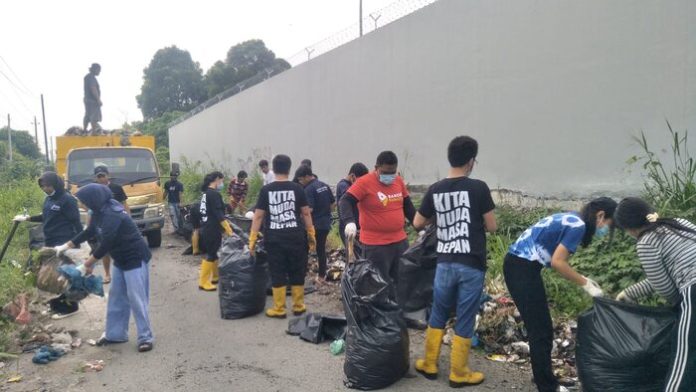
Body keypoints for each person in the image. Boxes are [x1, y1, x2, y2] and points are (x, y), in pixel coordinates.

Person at [504, 198, 615, 392]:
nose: (605, 229)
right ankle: (547, 386)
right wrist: (586, 284)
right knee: (541, 330)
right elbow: (558, 262)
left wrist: (584, 280)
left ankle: (543, 377)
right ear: (601, 215)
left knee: (541, 328)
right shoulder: (578, 226)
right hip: (521, 268)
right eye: (607, 224)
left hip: (520, 266)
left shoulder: (573, 218)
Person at [412, 136, 496, 387]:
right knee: (465, 315)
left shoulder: (435, 189)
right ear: (471, 161)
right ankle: (458, 373)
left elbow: (417, 222)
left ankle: (429, 363)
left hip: (445, 262)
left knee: (438, 311)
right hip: (471, 263)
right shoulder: (479, 188)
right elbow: (492, 226)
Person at [54, 184, 154, 352]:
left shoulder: (112, 214)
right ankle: (116, 334)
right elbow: (89, 232)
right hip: (120, 259)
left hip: (134, 257)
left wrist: (86, 265)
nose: (81, 205)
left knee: (136, 298)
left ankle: (145, 337)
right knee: (116, 296)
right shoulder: (97, 211)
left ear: (93, 200)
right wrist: (65, 246)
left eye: (83, 201)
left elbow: (106, 244)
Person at [614, 197, 696, 391]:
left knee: (684, 357)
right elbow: (664, 277)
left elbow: (665, 288)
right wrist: (630, 292)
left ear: (629, 228)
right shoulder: (679, 223)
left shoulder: (646, 243)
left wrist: (680, 307)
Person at [249, 155, 316, 318]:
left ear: (274, 167)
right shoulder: (298, 188)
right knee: (297, 270)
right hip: (296, 236)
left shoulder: (266, 190)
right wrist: (311, 234)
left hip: (274, 238)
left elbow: (258, 216)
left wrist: (252, 239)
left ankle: (279, 308)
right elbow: (306, 213)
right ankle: (298, 306)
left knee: (277, 271)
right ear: (289, 168)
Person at [339, 151, 416, 286]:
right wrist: (349, 222)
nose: (389, 176)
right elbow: (345, 201)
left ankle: (398, 307)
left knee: (402, 281)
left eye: (393, 172)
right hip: (376, 245)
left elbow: (408, 206)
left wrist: (419, 226)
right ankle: (381, 307)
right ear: (376, 168)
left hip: (400, 242)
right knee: (378, 285)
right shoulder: (364, 183)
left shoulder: (398, 181)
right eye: (385, 172)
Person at [14, 172, 82, 247]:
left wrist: (77, 243)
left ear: (56, 184)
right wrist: (26, 218)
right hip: (49, 240)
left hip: (63, 242)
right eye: (42, 186)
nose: (45, 189)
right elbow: (45, 216)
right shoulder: (48, 199)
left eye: (48, 186)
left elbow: (76, 222)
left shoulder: (68, 199)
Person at [295, 164, 335, 282]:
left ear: (307, 176)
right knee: (321, 250)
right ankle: (321, 276)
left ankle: (301, 275)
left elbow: (309, 210)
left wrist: (300, 215)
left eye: (301, 179)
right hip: (325, 223)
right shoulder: (324, 185)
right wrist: (325, 212)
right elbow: (333, 204)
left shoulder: (308, 189)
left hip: (313, 225)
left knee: (304, 249)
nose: (301, 182)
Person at [93, 165, 129, 284]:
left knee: (121, 248)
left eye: (103, 176)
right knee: (105, 250)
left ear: (108, 175)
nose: (101, 179)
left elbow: (124, 204)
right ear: (95, 178)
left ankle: (124, 272)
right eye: (99, 177)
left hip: (118, 223)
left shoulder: (116, 188)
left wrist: (128, 219)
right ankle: (107, 274)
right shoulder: (94, 190)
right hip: (102, 225)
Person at [198, 171, 234, 291]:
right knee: (212, 253)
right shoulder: (214, 194)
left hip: (206, 227)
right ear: (217, 179)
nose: (222, 183)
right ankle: (203, 282)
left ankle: (215, 277)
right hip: (212, 228)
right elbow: (219, 214)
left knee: (213, 251)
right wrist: (228, 229)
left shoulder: (206, 193)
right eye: (222, 181)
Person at [335, 162, 369, 247]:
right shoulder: (343, 185)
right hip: (348, 227)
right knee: (352, 255)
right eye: (360, 180)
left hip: (357, 227)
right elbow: (347, 200)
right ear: (353, 177)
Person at [83, 63, 102, 133]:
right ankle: (94, 131)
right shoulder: (91, 78)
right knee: (94, 116)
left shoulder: (87, 77)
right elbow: (93, 88)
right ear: (95, 69)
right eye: (99, 70)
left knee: (87, 115)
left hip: (87, 99)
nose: (99, 72)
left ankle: (84, 130)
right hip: (92, 100)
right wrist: (98, 99)